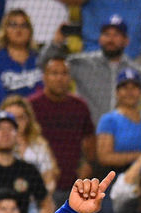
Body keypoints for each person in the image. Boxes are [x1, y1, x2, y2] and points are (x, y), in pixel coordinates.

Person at [40, 15, 141, 125]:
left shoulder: (137, 72)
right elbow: (44, 65)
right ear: (100, 39)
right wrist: (56, 42)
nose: (110, 39)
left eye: (116, 35)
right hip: (90, 134)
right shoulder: (82, 64)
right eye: (106, 34)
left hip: (125, 135)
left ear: (126, 40)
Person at [29, 56, 96, 204]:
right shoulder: (32, 106)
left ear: (70, 78)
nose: (60, 78)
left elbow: (89, 141)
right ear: (44, 77)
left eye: (64, 73)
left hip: (73, 185)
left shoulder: (80, 106)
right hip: (39, 185)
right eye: (54, 73)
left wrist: (87, 165)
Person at [96, 68, 141, 176]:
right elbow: (105, 157)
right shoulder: (108, 120)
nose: (130, 92)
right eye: (125, 88)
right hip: (116, 175)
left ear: (140, 92)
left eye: (134, 87)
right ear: (117, 92)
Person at [0, 110, 53, 213]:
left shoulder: (27, 170)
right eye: (0, 128)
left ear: (17, 135)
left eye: (10, 129)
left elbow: (47, 203)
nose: (5, 133)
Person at [1, 94, 59, 195]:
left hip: (36, 200)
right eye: (11, 118)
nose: (16, 123)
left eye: (20, 118)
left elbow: (50, 177)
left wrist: (41, 197)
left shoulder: (39, 146)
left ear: (28, 119)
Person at [0, 10, 43, 103]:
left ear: (30, 31)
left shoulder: (40, 59)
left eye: (24, 25)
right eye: (13, 25)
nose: (19, 29)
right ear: (5, 30)